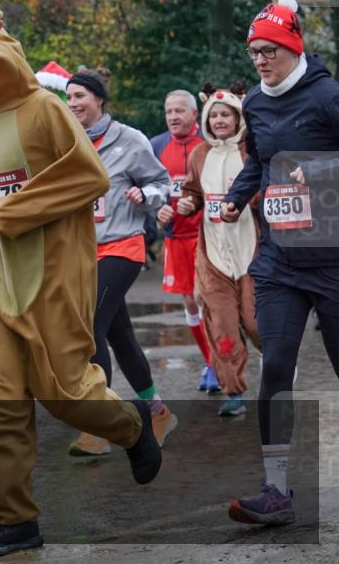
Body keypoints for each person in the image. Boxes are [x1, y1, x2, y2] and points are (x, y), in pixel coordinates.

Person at [0, 0, 161, 557]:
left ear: (3, 63)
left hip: (54, 275)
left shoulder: (44, 109)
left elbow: (88, 176)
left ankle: (134, 427)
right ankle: (14, 519)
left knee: (64, 395)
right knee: (3, 404)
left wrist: (11, 214)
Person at [220, 0, 339, 525]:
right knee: (276, 367)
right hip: (278, 262)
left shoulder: (329, 97)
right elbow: (263, 163)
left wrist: (315, 172)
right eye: (253, 53)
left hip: (333, 259)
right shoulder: (256, 105)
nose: (261, 60)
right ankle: (276, 492)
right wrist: (235, 195)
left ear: (294, 47)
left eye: (270, 50)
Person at [63, 69, 178, 458]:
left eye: (80, 96)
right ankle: (158, 413)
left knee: (91, 327)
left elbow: (163, 185)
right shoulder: (67, 142)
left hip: (122, 248)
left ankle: (99, 426)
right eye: (69, 97)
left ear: (98, 99)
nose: (74, 103)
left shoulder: (130, 140)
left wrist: (143, 194)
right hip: (82, 253)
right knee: (120, 336)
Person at [180, 84, 261, 418]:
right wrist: (187, 204)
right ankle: (234, 391)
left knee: (257, 324)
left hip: (251, 251)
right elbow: (192, 192)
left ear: (238, 116)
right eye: (213, 115)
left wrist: (246, 201)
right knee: (223, 328)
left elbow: (265, 187)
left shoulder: (251, 151)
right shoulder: (199, 154)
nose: (219, 120)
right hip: (213, 255)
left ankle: (278, 360)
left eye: (225, 114)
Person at [151, 89, 218, 392]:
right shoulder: (156, 146)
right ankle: (209, 362)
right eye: (168, 111)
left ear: (194, 114)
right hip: (174, 237)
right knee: (190, 300)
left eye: (179, 110)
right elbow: (147, 189)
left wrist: (201, 204)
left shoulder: (208, 145)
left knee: (206, 298)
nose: (173, 116)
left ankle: (219, 362)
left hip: (207, 235)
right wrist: (156, 210)